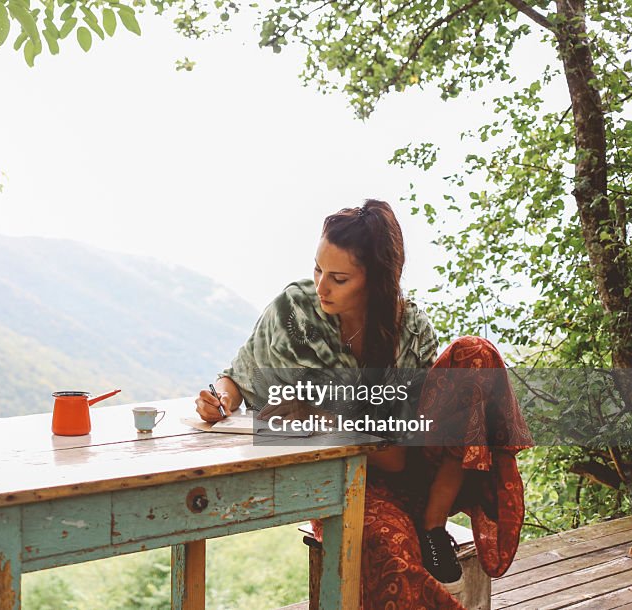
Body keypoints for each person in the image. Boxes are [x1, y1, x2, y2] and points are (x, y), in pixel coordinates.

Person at [194, 200, 532, 609]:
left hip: (411, 464)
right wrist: (220, 398)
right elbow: (238, 375)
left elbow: (398, 454)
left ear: (375, 282)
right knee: (388, 555)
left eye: (339, 278)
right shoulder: (294, 310)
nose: (321, 287)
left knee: (475, 353)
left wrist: (322, 411)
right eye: (318, 270)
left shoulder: (412, 329)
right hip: (351, 478)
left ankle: (433, 527)